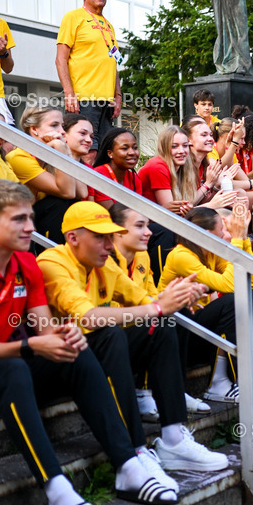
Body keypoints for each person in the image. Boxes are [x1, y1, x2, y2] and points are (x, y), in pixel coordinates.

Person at [0, 181, 179, 505]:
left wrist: (61, 334)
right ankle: (57, 492)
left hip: (12, 367)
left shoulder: (25, 263)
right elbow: (21, 347)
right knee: (11, 367)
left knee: (78, 346)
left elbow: (43, 328)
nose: (31, 228)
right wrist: (27, 347)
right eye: (20, 219)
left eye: (31, 217)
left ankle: (129, 465)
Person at [37, 201, 230, 474]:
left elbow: (145, 301)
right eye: (100, 237)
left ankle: (174, 439)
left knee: (161, 325)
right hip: (57, 362)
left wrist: (172, 298)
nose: (108, 244)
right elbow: (87, 317)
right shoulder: (53, 261)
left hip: (92, 350)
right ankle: (135, 448)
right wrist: (157, 306)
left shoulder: (105, 263)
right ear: (72, 238)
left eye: (109, 236)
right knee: (114, 334)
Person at [109, 201, 209, 417]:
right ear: (117, 231)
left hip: (136, 323)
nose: (149, 232)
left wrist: (177, 296)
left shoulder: (142, 255)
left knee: (178, 311)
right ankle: (142, 391)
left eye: (147, 225)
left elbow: (151, 294)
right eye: (139, 226)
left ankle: (177, 387)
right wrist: (159, 304)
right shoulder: (104, 259)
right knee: (159, 319)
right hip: (113, 333)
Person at [158, 202, 253, 404]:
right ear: (205, 233)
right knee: (233, 303)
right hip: (179, 334)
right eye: (222, 229)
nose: (225, 233)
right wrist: (236, 239)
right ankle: (219, 382)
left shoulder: (210, 251)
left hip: (198, 330)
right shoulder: (181, 256)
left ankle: (247, 377)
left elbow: (252, 282)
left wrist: (243, 239)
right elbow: (229, 285)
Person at [55, 0, 122, 149]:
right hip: (84, 98)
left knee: (106, 151)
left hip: (107, 101)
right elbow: (60, 59)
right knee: (86, 150)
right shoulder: (73, 17)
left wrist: (118, 94)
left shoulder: (108, 26)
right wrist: (69, 94)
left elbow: (112, 62)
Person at [6, 104, 82, 244]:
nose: (62, 132)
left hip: (33, 218)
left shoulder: (49, 154)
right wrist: (61, 150)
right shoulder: (18, 157)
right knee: (58, 203)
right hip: (14, 221)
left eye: (62, 126)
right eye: (54, 125)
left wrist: (68, 153)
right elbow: (68, 193)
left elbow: (81, 193)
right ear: (34, 129)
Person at [138, 125, 199, 279]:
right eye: (174, 146)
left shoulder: (182, 169)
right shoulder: (158, 166)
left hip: (157, 223)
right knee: (170, 230)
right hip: (148, 226)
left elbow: (182, 207)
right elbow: (169, 212)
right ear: (164, 148)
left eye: (185, 146)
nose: (181, 151)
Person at [92, 127, 143, 207]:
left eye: (135, 148)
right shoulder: (99, 175)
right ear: (110, 153)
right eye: (125, 148)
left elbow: (140, 210)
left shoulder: (134, 179)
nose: (132, 152)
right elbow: (114, 215)